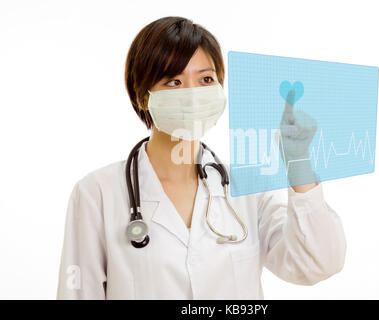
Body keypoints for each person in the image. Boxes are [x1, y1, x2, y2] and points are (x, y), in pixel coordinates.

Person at [56, 16, 346, 300]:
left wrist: (299, 163)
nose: (194, 95)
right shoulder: (97, 193)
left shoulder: (246, 188)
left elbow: (316, 264)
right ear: (143, 96)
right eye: (173, 81)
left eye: (206, 79)